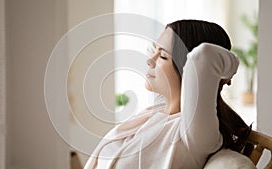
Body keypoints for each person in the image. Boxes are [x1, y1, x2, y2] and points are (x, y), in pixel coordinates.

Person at [84, 20, 251, 169]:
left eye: (162, 56)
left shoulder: (194, 133)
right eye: (155, 52)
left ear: (187, 69)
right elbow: (156, 51)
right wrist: (164, 47)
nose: (150, 60)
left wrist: (230, 68)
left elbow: (204, 56)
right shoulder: (157, 111)